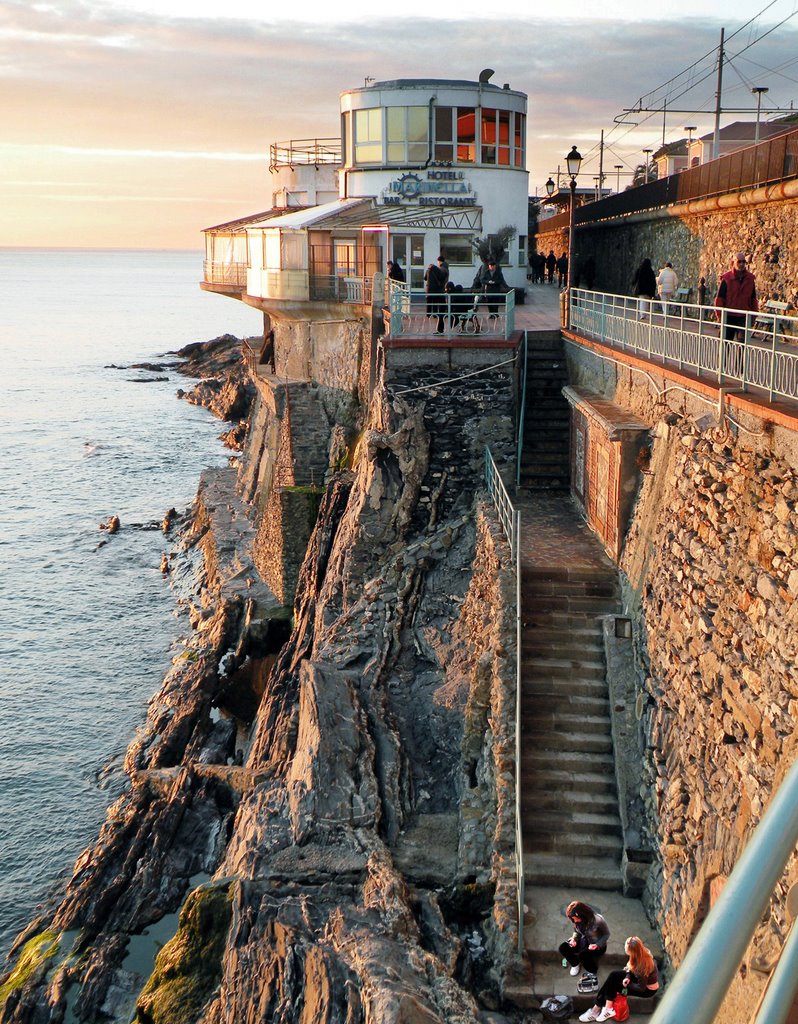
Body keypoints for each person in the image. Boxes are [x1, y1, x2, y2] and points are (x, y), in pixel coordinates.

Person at [579, 936, 659, 1022]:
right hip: (639, 978)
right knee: (614, 975)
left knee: (616, 985)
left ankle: (599, 1010)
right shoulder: (640, 953)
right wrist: (627, 977)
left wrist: (628, 984)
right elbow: (629, 968)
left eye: (626, 947)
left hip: (647, 990)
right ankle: (605, 1009)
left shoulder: (641, 967)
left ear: (632, 951)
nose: (624, 947)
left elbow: (641, 988)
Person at [558, 900, 610, 995]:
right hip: (583, 942)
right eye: (572, 919)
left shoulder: (598, 920)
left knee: (584, 955)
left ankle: (591, 969)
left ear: (582, 914)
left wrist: (597, 945)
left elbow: (606, 934)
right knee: (563, 947)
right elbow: (577, 932)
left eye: (575, 918)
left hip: (597, 946)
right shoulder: (577, 922)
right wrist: (574, 939)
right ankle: (575, 963)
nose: (575, 921)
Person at [715, 252, 758, 341]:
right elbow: (720, 299)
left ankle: (741, 356)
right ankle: (722, 356)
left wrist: (753, 316)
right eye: (739, 262)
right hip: (728, 315)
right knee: (724, 343)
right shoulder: (726, 279)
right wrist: (719, 316)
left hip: (743, 316)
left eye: (743, 262)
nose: (742, 264)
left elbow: (753, 299)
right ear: (733, 263)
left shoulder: (750, 279)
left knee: (742, 343)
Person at [424, 257, 448, 334]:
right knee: (440, 307)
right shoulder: (443, 269)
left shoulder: (440, 269)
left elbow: (425, 278)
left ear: (439, 261)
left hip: (435, 290)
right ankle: (440, 329)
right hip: (440, 290)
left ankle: (430, 315)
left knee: (432, 303)